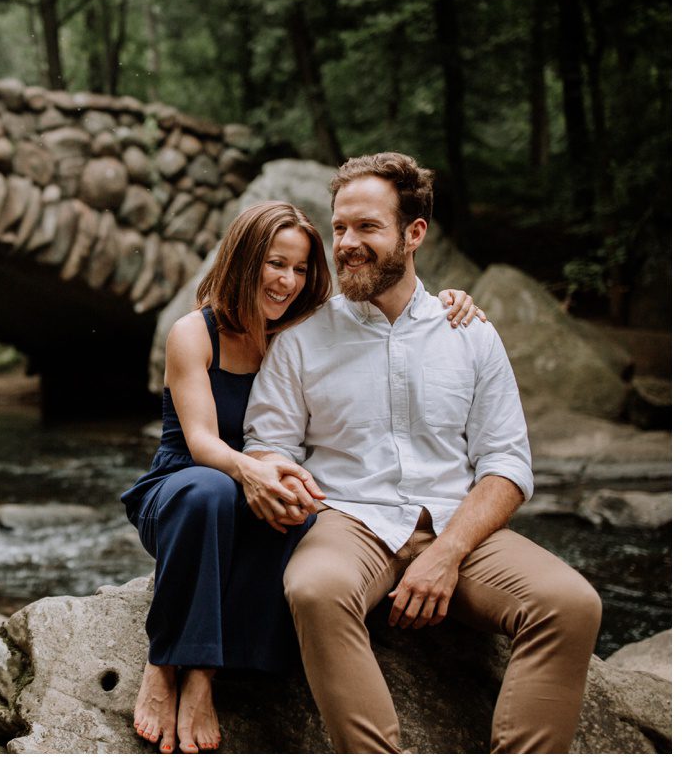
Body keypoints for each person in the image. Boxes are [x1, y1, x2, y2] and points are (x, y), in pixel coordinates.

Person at [243, 152, 602, 753]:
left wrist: (448, 554)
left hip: (457, 524)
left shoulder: (470, 332)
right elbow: (268, 444)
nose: (347, 243)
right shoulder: (300, 339)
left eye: (367, 227)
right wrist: (273, 479)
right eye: (339, 228)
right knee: (315, 588)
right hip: (349, 519)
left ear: (414, 234)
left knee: (571, 604)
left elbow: (507, 464)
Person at [121, 200, 484, 754]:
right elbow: (201, 442)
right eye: (274, 263)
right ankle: (164, 662)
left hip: (257, 491)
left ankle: (204, 680)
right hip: (185, 489)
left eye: (299, 268)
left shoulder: (301, 328)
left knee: (302, 508)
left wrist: (450, 304)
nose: (287, 281)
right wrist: (252, 472)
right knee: (216, 489)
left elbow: (390, 310)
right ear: (243, 260)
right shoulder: (194, 333)